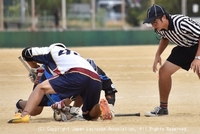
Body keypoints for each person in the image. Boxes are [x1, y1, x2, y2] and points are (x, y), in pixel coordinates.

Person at [8, 43, 112, 123]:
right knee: (89, 115)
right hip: (95, 78)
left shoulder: (51, 50)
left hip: (76, 75)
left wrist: (34, 68)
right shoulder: (76, 55)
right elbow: (75, 88)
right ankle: (100, 108)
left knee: (40, 88)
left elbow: (26, 52)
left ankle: (24, 115)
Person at [143, 4, 200, 117]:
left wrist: (198, 58)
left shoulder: (181, 22)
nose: (153, 25)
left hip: (197, 46)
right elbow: (165, 38)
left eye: (155, 22)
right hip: (183, 48)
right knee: (163, 72)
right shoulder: (160, 28)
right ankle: (163, 108)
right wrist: (157, 55)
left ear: (163, 17)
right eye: (151, 23)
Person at [15, 58, 117, 119]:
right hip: (47, 79)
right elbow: (72, 92)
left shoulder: (99, 75)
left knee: (84, 89)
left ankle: (74, 111)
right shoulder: (76, 73)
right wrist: (63, 106)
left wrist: (111, 107)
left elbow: (110, 90)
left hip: (69, 85)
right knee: (36, 110)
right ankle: (19, 104)